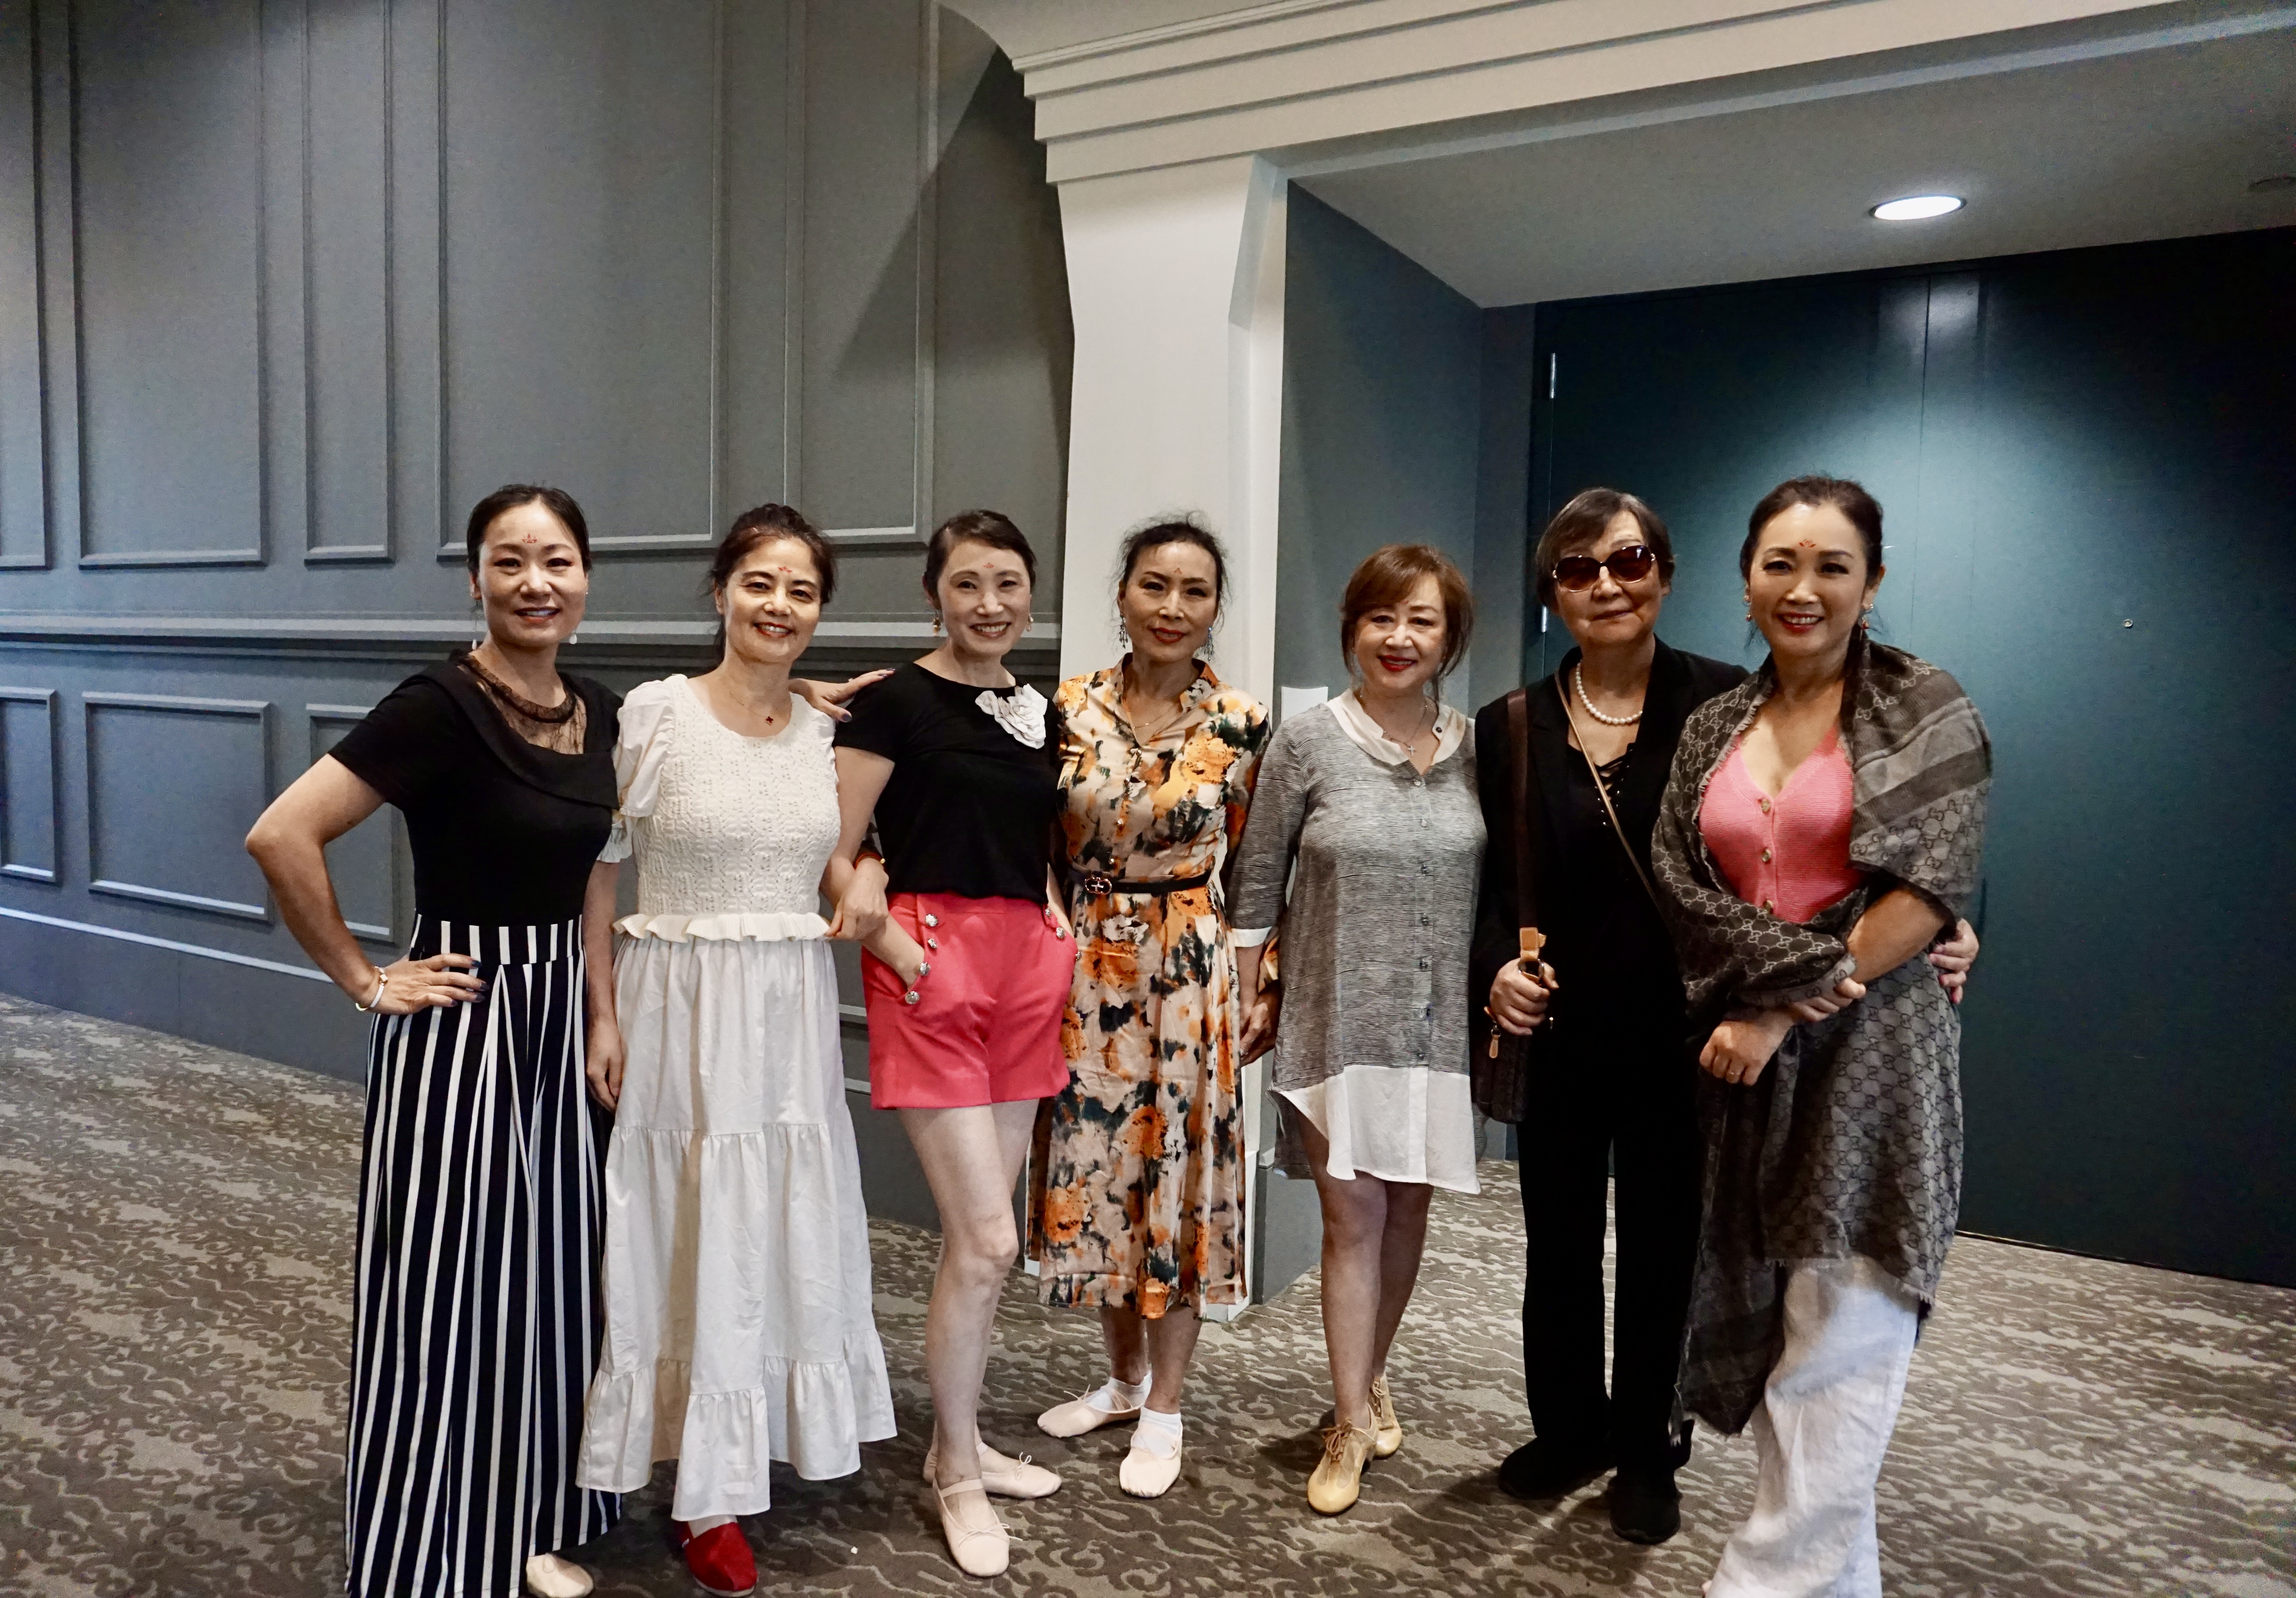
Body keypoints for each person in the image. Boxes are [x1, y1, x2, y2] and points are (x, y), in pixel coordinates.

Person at [1470, 489, 1981, 1544]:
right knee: (1556, 1243)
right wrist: (1495, 973)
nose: (1607, 584)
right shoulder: (1510, 724)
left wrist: (1944, 926)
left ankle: (1648, 1448)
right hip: (1563, 1031)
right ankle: (1567, 1429)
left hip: (1697, 1028)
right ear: (1551, 591)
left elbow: (1843, 852)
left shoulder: (1720, 701)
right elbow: (1494, 886)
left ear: (1667, 573)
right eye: (1578, 568)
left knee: (1669, 1247)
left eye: (1629, 561)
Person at [246, 485, 624, 1598]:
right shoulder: (436, 705)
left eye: (557, 561)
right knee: (453, 1289)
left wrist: (604, 1010)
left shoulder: (603, 711)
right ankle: (439, 1545)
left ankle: (532, 1514)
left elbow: (598, 875)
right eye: (510, 562)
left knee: (555, 1282)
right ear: (475, 581)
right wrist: (367, 979)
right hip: (462, 1023)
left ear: (586, 576)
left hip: (561, 1020)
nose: (536, 583)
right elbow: (282, 834)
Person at [1649, 475, 1992, 1598]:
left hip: (1872, 1064)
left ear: (1871, 582)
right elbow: (1679, 882)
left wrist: (1779, 1005)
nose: (1803, 588)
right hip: (1743, 1073)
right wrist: (1753, 1008)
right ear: (1747, 579)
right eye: (1780, 564)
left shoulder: (1923, 705)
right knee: (1790, 1346)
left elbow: (1929, 891)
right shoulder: (1715, 723)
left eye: (1832, 566)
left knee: (1841, 1349)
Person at [573, 506, 896, 1598]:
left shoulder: (820, 734)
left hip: (785, 1022)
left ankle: (737, 1451)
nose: (779, 606)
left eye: (802, 591)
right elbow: (600, 873)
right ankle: (697, 1491)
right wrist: (602, 1013)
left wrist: (869, 876)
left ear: (820, 612)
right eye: (759, 582)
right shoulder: (656, 714)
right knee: (680, 1226)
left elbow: (841, 857)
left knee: (766, 1229)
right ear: (720, 592)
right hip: (677, 1009)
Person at [826, 511, 1075, 1579]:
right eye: (967, 583)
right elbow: (833, 847)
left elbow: (1030, 833)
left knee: (984, 1244)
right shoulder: (894, 701)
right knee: (987, 1242)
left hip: (1027, 969)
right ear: (935, 592)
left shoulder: (1038, 709)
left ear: (1030, 592)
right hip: (931, 960)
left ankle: (956, 1440)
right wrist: (894, 942)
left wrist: (1055, 915)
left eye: (1007, 583)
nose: (989, 603)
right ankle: (957, 1475)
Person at [1227, 543, 1485, 1516]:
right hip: (1332, 1018)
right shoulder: (1308, 742)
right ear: (1353, 628)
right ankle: (1345, 1423)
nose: (1399, 637)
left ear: (1450, 638)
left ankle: (1370, 1379)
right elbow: (1256, 883)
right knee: (1353, 1217)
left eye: (1422, 619)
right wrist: (1251, 992)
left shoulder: (1479, 748)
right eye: (1382, 617)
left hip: (1438, 1029)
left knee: (1408, 1212)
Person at [1027, 519, 1269, 1499]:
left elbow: (1256, 864)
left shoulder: (1241, 722)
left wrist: (1257, 981)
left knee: (1177, 1179)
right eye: (1155, 585)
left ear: (1216, 607)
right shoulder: (1066, 707)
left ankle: (1167, 1405)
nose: (1173, 607)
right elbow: (1036, 836)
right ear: (1122, 594)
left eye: (1195, 591)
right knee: (1100, 1173)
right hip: (1087, 963)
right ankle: (1123, 1379)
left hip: (1189, 968)